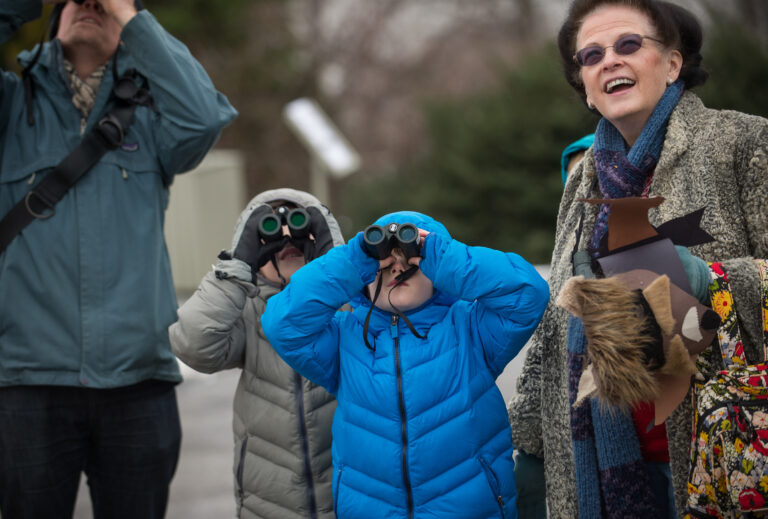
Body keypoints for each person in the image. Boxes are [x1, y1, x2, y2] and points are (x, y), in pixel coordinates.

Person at [507, 0, 768, 517]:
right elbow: (556, 331)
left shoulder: (743, 143)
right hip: (606, 469)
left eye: (628, 45)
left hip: (724, 459)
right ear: (584, 85)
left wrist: (702, 279)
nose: (609, 61)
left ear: (673, 64)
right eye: (591, 55)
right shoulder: (584, 181)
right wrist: (533, 452)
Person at [0, 1, 237, 517]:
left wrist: (129, 15)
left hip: (138, 382)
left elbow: (204, 116)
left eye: (102, 5)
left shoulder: (152, 119)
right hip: (27, 382)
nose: (90, 7)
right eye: (77, 3)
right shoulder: (11, 107)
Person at [260, 210, 549, 518]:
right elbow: (282, 324)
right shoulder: (345, 338)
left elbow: (528, 294)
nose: (396, 266)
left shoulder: (469, 329)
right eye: (383, 262)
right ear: (362, 282)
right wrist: (355, 260)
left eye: (409, 258)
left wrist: (438, 254)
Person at [170, 188, 342, 519]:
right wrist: (235, 268)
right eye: (270, 231)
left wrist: (337, 262)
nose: (287, 239)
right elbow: (193, 345)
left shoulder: (345, 301)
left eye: (301, 227)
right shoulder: (245, 310)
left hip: (348, 496)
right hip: (269, 500)